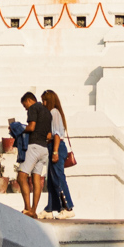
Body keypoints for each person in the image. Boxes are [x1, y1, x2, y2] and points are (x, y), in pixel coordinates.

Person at [15, 90, 52, 218]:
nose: (25, 108)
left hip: (34, 146)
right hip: (44, 149)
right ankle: (33, 210)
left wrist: (18, 128)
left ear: (29, 100)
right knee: (36, 179)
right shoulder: (47, 112)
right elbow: (49, 135)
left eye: (25, 105)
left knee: (21, 177)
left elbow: (31, 127)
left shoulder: (33, 108)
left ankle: (27, 208)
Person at [41, 88, 75, 218]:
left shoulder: (54, 112)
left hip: (57, 147)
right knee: (51, 180)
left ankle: (68, 207)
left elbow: (56, 134)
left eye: (44, 100)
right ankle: (50, 208)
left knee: (59, 178)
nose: (43, 103)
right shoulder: (54, 113)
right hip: (53, 146)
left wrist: (55, 151)